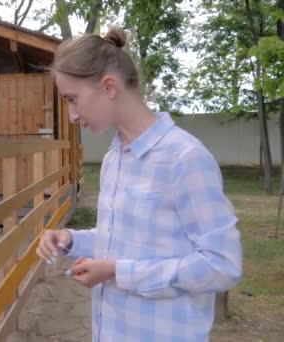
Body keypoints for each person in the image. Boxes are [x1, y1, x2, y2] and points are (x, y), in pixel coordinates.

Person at [36, 26, 243, 341]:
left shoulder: (184, 158)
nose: (72, 116)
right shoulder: (114, 158)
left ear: (108, 86)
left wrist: (119, 272)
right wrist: (70, 239)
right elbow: (120, 240)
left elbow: (222, 265)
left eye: (72, 99)